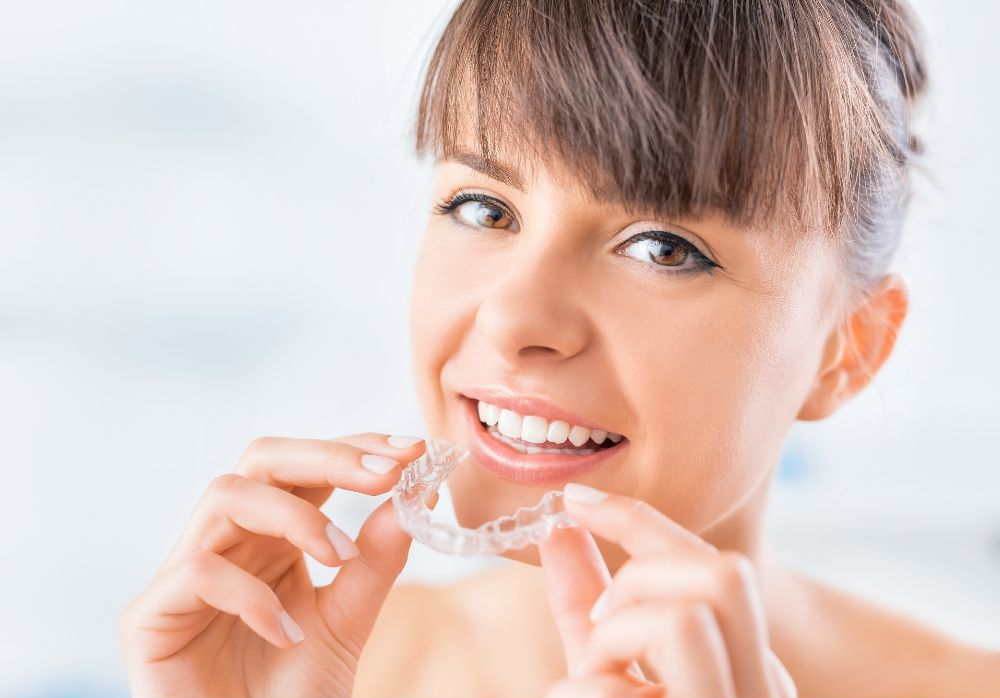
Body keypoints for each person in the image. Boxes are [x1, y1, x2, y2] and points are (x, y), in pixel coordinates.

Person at [117, 1, 1000, 696]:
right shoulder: (288, 670)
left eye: (662, 248)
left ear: (848, 350)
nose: (512, 319)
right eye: (484, 208)